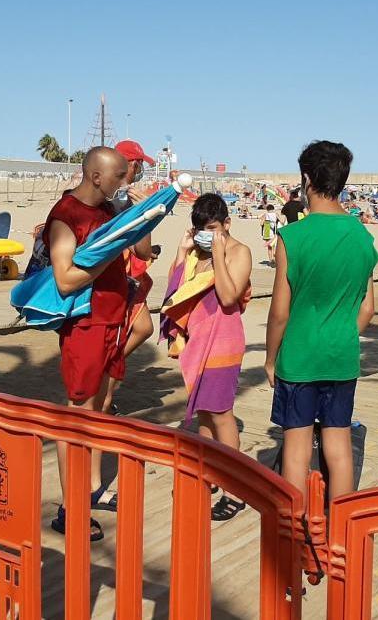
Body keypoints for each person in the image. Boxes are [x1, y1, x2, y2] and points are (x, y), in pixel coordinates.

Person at [265, 140, 377, 503]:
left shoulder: (293, 236)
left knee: (296, 448)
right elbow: (367, 309)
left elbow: (280, 311)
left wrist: (270, 358)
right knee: (338, 443)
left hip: (299, 357)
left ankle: (296, 531)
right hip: (341, 355)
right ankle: (341, 531)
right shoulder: (362, 236)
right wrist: (340, 335)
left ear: (306, 179)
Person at [43, 147, 131, 539]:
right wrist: (104, 258)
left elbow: (140, 252)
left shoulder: (109, 211)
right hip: (86, 325)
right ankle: (70, 509)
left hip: (112, 320)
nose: (124, 183)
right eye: (119, 177)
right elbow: (64, 279)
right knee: (77, 412)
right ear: (97, 177)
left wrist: (136, 219)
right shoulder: (66, 215)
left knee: (96, 411)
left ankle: (84, 492)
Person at [160, 193, 252, 520]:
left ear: (227, 224)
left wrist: (218, 255)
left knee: (222, 412)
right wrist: (183, 251)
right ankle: (208, 472)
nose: (206, 234)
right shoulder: (199, 251)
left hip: (224, 342)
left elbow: (228, 296)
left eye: (212, 228)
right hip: (198, 341)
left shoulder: (240, 252)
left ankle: (234, 490)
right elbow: (173, 293)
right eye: (201, 228)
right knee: (203, 414)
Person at [112, 140, 160, 373]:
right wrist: (145, 214)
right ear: (130, 164)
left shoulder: (118, 194)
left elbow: (128, 241)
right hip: (116, 280)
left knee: (142, 327)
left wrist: (146, 251)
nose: (140, 170)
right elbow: (132, 241)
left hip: (121, 275)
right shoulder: (120, 197)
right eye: (139, 164)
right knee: (130, 330)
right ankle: (110, 374)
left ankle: (113, 366)